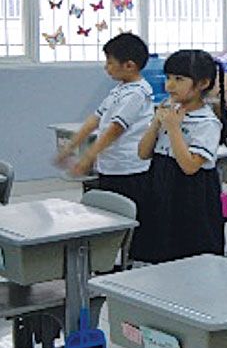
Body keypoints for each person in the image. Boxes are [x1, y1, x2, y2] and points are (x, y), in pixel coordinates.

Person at [134, 49, 227, 262]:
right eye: (168, 78)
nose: (169, 85)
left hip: (191, 195)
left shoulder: (208, 123)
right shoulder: (171, 113)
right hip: (160, 185)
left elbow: (190, 167)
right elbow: (142, 153)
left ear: (203, 83)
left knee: (189, 254)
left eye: (179, 79)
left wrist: (174, 129)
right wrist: (156, 124)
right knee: (160, 252)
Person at [57, 33, 154, 237]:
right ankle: (111, 257)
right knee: (111, 219)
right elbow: (95, 119)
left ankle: (132, 259)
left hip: (130, 169)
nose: (106, 67)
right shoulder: (120, 89)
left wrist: (88, 157)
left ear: (129, 65)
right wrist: (71, 146)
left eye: (110, 62)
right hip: (111, 166)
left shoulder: (137, 93)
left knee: (130, 220)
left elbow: (115, 129)